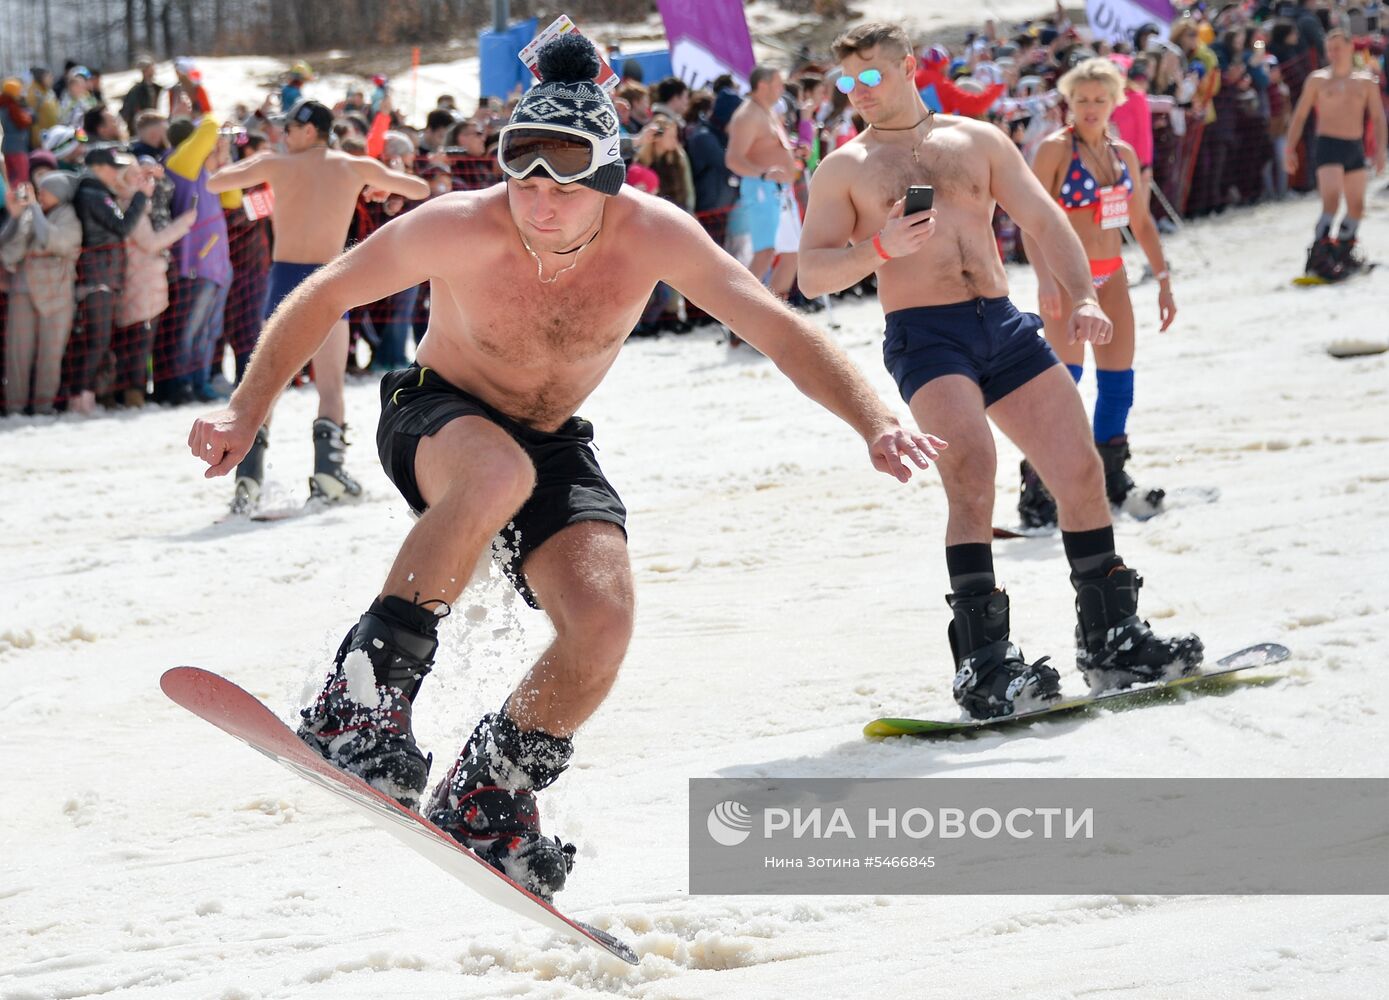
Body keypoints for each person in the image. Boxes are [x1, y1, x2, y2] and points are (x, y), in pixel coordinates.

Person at [188, 34, 944, 900]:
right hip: (435, 410)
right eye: (525, 179)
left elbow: (778, 328)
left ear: (611, 180)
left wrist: (876, 419)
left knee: (603, 621)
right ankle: (361, 695)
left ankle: (491, 788)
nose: (540, 203)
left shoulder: (657, 235)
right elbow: (322, 293)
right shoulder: (457, 226)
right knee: (493, 474)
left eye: (565, 182)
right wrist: (246, 413)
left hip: (550, 440)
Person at [799, 23, 1202, 721]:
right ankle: (983, 664)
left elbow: (1047, 224)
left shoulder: (976, 140)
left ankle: (1110, 639)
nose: (857, 94)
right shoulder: (844, 166)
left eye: (870, 76)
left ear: (907, 68)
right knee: (972, 471)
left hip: (1002, 323)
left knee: (1078, 471)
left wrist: (1079, 296)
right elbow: (811, 273)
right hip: (926, 337)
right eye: (845, 82)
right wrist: (880, 246)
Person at [204, 98, 429, 513]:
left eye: (290, 128)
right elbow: (420, 189)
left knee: (268, 384)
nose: (285, 135)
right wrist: (386, 179)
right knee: (330, 385)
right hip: (329, 280)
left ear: (309, 130)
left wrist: (223, 156)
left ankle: (247, 480)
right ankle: (328, 473)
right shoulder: (351, 165)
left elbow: (218, 182)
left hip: (286, 280)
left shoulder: (277, 164)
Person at [1019, 58, 1176, 527]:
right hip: (1069, 282)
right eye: (1081, 99)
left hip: (1114, 278)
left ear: (1115, 101)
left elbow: (1142, 223)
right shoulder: (1054, 150)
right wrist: (1046, 278)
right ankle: (1040, 488)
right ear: (1069, 101)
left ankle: (1111, 476)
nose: (1090, 107)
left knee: (1118, 382)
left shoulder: (1123, 152)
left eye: (1099, 99)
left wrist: (1164, 280)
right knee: (1062, 387)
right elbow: (1031, 220)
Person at [1284, 29, 1388, 280]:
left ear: (1350, 47)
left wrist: (1380, 152)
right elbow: (1300, 115)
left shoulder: (1365, 82)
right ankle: (1318, 255)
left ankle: (1343, 249)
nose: (1333, 53)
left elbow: (1378, 117)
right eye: (1329, 49)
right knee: (1331, 199)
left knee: (1357, 206)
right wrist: (1290, 148)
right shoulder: (1318, 80)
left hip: (1354, 145)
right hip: (1328, 145)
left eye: (1338, 48)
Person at [71, 145, 151, 415]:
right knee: (98, 341)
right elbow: (123, 226)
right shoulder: (92, 193)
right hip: (98, 278)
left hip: (102, 277)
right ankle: (81, 399)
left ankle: (85, 397)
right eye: (112, 167)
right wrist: (141, 197)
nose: (116, 173)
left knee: (100, 341)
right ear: (99, 167)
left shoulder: (95, 192)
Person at [1, 172, 81, 415]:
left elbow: (52, 240)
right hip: (23, 290)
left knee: (50, 352)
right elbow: (7, 251)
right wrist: (16, 218)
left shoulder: (69, 217)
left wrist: (34, 209)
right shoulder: (28, 215)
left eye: (45, 191)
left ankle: (43, 405)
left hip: (57, 293)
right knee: (18, 352)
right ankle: (15, 406)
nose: (40, 195)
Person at [725, 66, 803, 303]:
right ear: (763, 85)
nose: (782, 89)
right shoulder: (747, 115)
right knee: (764, 253)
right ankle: (737, 314)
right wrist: (762, 174)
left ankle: (776, 310)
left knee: (792, 254)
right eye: (778, 84)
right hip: (762, 188)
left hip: (780, 190)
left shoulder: (767, 111)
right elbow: (733, 159)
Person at [121, 57, 163, 134]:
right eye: (150, 68)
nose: (153, 70)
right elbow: (130, 111)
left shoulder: (157, 88)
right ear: (145, 71)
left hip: (157, 124)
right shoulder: (136, 91)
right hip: (144, 128)